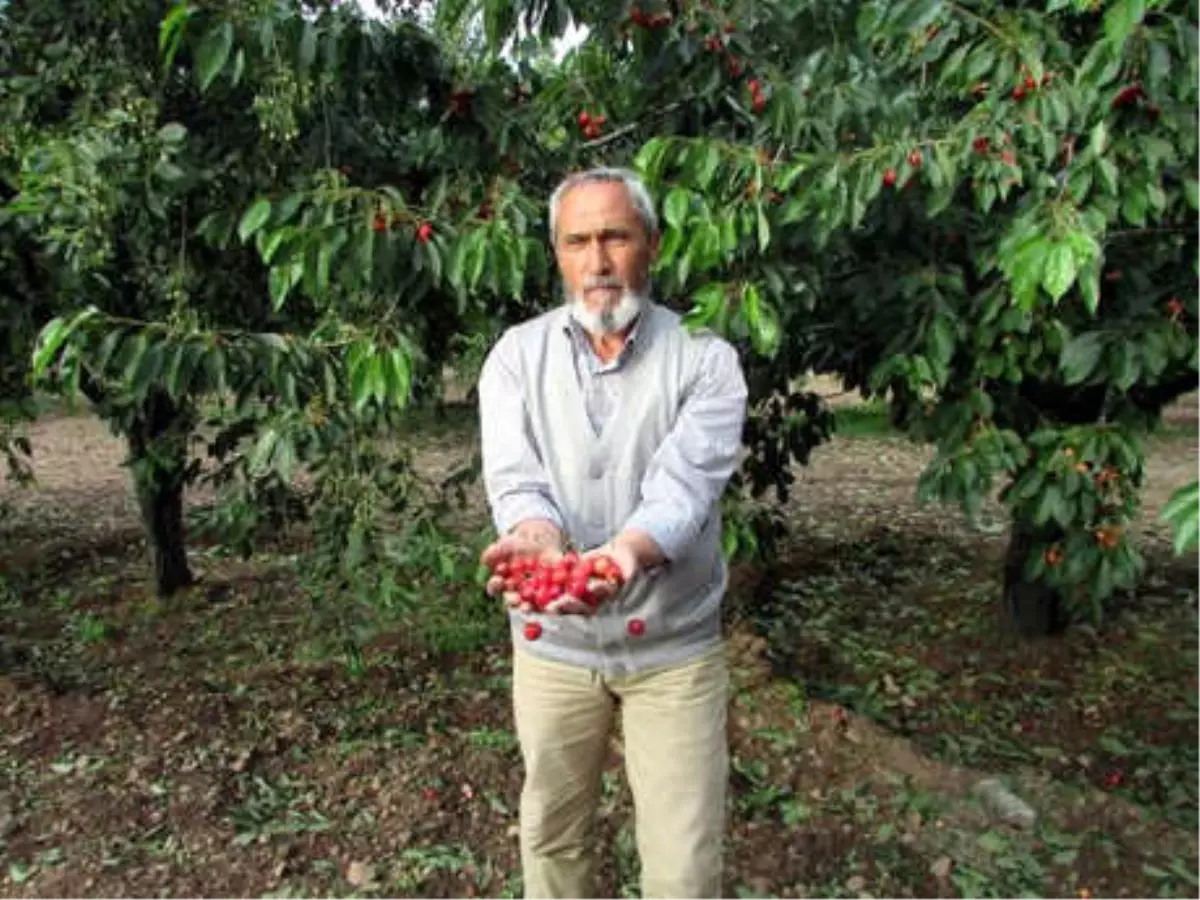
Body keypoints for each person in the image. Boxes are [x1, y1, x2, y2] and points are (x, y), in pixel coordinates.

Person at [476, 166, 749, 900]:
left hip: (673, 651)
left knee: (685, 869)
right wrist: (538, 541)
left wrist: (621, 555)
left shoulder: (707, 362)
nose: (597, 263)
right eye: (578, 242)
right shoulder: (513, 359)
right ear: (557, 254)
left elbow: (683, 489)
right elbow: (516, 478)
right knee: (552, 837)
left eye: (615, 237)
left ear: (651, 246)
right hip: (554, 652)